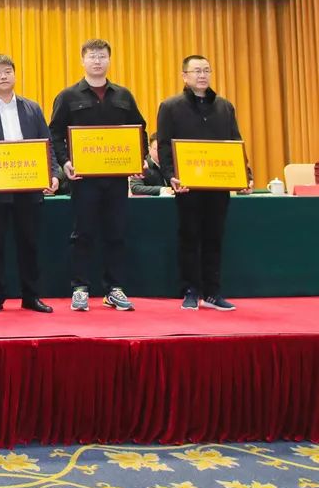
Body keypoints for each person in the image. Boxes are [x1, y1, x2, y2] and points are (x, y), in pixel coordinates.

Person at [49, 39, 147, 312]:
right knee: (83, 233)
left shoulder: (123, 95)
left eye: (102, 56)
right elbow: (54, 133)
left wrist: (138, 158)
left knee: (116, 233)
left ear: (109, 60)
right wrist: (65, 162)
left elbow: (139, 129)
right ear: (82, 60)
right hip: (84, 180)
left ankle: (114, 289)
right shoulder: (68, 96)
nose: (97, 61)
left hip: (116, 178)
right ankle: (80, 288)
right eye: (92, 56)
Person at [157, 55, 252, 312]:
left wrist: (245, 175)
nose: (202, 75)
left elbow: (235, 143)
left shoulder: (224, 107)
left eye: (206, 70)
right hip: (187, 186)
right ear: (184, 76)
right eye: (197, 71)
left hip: (218, 186)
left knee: (214, 238)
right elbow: (164, 146)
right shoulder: (170, 107)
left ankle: (212, 292)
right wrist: (171, 175)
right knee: (189, 237)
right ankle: (190, 290)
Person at [0, 55, 60, 315]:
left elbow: (47, 144)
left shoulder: (32, 108)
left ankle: (31, 296)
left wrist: (53, 174)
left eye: (8, 71)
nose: (3, 76)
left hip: (28, 189)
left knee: (29, 245)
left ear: (15, 75)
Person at [130, 131, 173, 197]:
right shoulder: (142, 165)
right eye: (156, 149)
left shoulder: (173, 165)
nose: (160, 153)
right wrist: (161, 190)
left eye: (164, 150)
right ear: (149, 149)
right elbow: (135, 188)